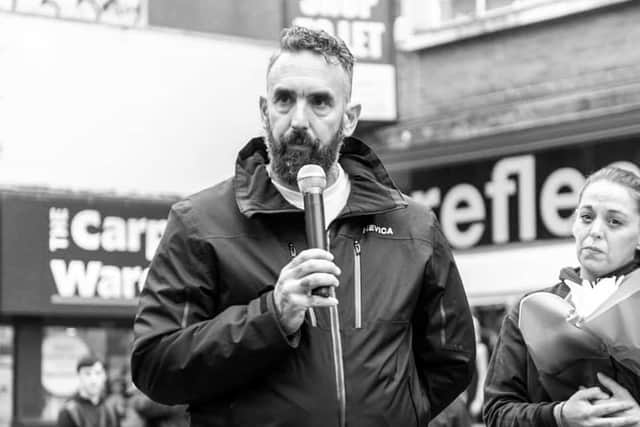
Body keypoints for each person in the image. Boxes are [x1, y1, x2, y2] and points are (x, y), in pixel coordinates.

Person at [131, 26, 475, 427]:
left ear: (349, 119)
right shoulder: (200, 223)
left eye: (319, 102)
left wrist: (399, 413)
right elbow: (154, 362)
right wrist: (270, 316)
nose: (298, 119)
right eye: (284, 100)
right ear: (264, 110)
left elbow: (453, 359)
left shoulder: (412, 226)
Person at [483, 166, 640, 427]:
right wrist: (559, 415)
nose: (595, 231)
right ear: (574, 224)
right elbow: (497, 414)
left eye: (615, 221)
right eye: (587, 217)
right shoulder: (530, 310)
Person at [57, 355, 120, 427]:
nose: (93, 379)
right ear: (79, 376)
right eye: (87, 374)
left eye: (98, 373)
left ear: (104, 376)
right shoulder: (69, 411)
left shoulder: (111, 409)